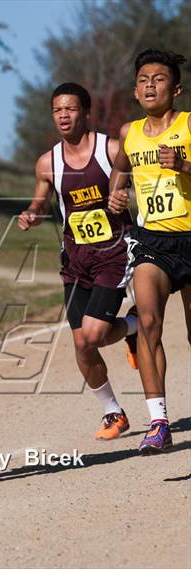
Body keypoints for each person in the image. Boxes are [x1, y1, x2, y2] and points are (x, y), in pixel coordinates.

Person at [19, 82, 138, 441]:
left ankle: (134, 325)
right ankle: (113, 412)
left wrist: (124, 194)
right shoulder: (48, 162)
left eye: (70, 109)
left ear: (86, 112)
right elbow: (40, 201)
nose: (63, 116)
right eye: (57, 110)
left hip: (113, 253)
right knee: (82, 344)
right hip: (76, 257)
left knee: (95, 334)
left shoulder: (111, 149)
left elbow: (136, 183)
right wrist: (33, 214)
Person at [108, 49, 191, 454]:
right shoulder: (130, 132)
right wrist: (116, 195)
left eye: (158, 79)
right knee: (147, 323)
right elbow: (119, 170)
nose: (149, 85)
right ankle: (158, 423)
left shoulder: (190, 126)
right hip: (152, 242)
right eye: (142, 79)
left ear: (175, 88)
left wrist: (185, 166)